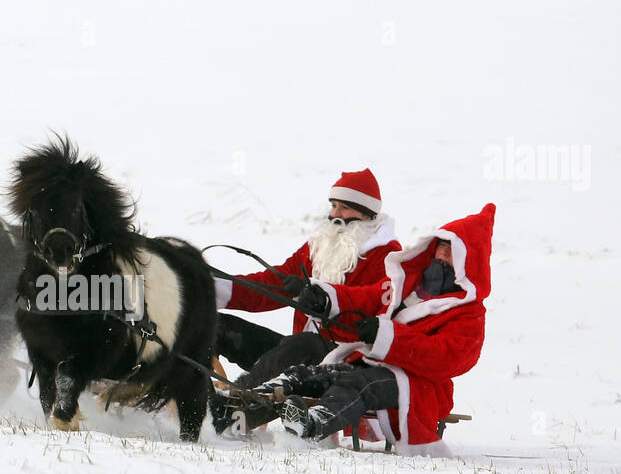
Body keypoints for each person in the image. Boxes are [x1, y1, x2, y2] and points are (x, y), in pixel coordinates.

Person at [234, 203, 494, 456]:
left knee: (357, 383)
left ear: (469, 260)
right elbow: (362, 298)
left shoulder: (468, 313)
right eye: (441, 246)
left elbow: (449, 358)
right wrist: (327, 298)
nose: (443, 254)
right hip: (370, 363)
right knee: (308, 375)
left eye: (453, 250)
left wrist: (387, 337)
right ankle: (238, 406)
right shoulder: (406, 284)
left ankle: (310, 425)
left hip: (414, 385)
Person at [210, 168, 399, 434]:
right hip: (296, 354)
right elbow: (271, 285)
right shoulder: (320, 246)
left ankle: (232, 414)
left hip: (344, 364)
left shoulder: (388, 257)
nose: (335, 215)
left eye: (345, 208)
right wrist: (213, 286)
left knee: (303, 343)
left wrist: (319, 297)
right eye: (333, 206)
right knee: (215, 325)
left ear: (367, 213)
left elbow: (371, 321)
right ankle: (190, 398)